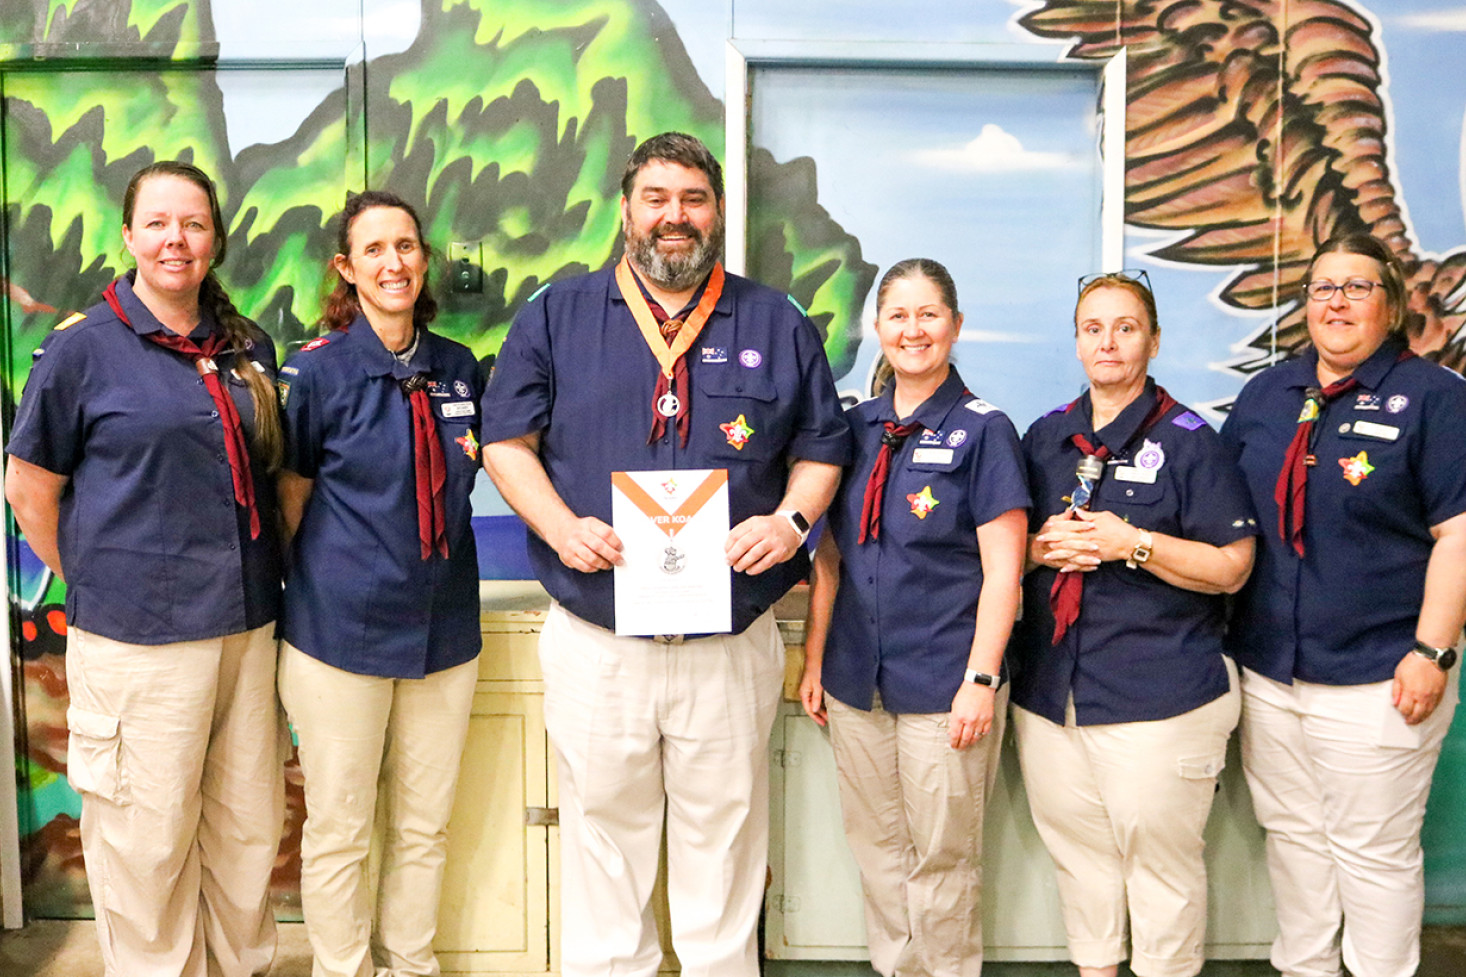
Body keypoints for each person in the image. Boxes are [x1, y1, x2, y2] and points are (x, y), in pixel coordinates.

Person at [480, 131, 851, 977]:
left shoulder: (775, 320)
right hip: (598, 639)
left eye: (692, 199)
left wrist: (792, 522)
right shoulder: (556, 314)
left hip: (729, 643)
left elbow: (822, 446)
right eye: (656, 199)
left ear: (716, 212)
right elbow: (505, 440)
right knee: (602, 845)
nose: (673, 217)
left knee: (722, 848)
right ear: (626, 211)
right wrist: (559, 524)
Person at [5, 160, 285, 977]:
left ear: (214, 240)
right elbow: (28, 490)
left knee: (244, 832)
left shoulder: (245, 346)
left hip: (244, 630)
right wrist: (99, 578)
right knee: (147, 843)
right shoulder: (83, 351)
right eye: (158, 223)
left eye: (193, 224)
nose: (176, 239)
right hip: (139, 643)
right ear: (128, 237)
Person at [1220, 233, 1466, 977]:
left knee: (1374, 854)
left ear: (1390, 304)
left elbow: (1459, 534)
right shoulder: (1271, 392)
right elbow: (1221, 509)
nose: (1337, 302)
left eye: (1357, 287)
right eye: (1323, 288)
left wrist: (1431, 652)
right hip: (1271, 668)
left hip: (1380, 674)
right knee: (1292, 835)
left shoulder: (1437, 400)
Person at [1008, 271, 1257, 977]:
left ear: (1152, 339)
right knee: (1080, 864)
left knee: (1161, 876)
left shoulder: (1189, 442)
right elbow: (1007, 550)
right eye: (1093, 327)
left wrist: (1132, 544)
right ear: (1077, 340)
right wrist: (1039, 548)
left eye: (1125, 327)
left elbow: (1233, 565)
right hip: (1054, 696)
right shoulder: (1048, 435)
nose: (1108, 342)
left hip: (1160, 696)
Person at [798, 258, 1028, 977]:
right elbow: (829, 561)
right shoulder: (852, 429)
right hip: (855, 679)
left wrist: (982, 679)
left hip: (945, 683)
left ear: (955, 326)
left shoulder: (985, 431)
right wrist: (813, 662)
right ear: (878, 327)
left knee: (943, 857)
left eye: (929, 314)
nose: (913, 329)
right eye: (898, 315)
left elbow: (1005, 572)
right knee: (878, 849)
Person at [274, 190, 484, 977]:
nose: (392, 263)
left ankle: (412, 961)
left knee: (425, 824)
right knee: (341, 825)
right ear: (346, 267)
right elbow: (290, 497)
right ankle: (344, 968)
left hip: (445, 635)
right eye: (374, 250)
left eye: (406, 246)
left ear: (423, 258)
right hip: (337, 635)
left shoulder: (459, 368)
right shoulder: (318, 373)